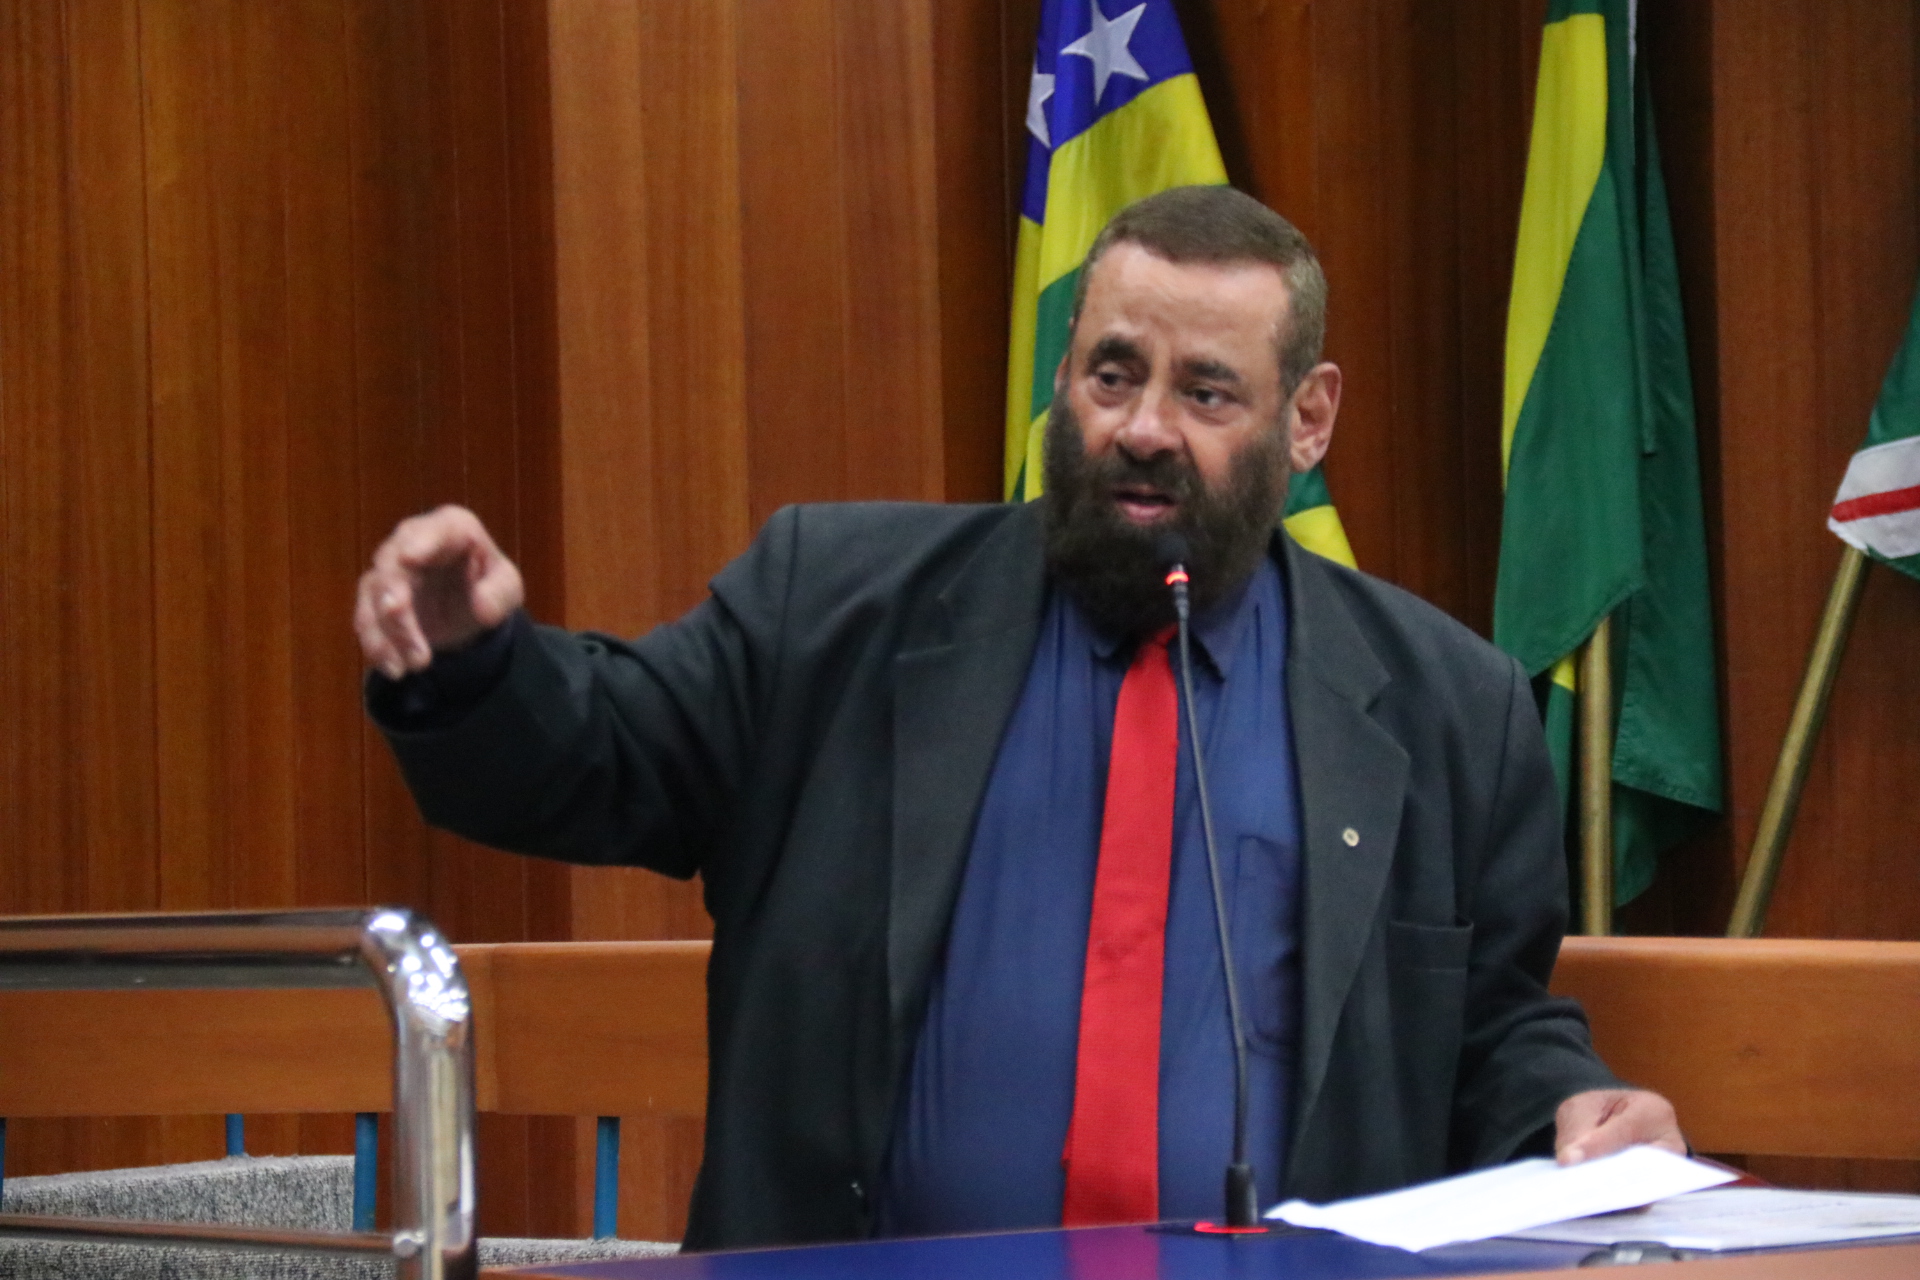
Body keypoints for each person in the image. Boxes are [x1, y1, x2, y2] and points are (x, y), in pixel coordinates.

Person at [356, 186, 1682, 1252]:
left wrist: (1570, 1108)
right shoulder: (834, 611)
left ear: (1308, 418)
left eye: (1206, 393)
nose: (1144, 428)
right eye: (1113, 374)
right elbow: (595, 757)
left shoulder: (1449, 708)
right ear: (1063, 377)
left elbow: (1487, 1026)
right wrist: (475, 664)